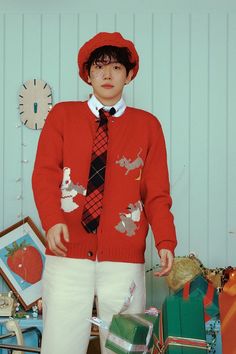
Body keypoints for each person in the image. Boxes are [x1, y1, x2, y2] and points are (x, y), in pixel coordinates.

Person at [32, 31, 177, 354]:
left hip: (124, 257)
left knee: (127, 348)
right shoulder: (63, 116)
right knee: (60, 345)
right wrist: (52, 219)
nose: (107, 75)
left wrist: (165, 239)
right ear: (88, 74)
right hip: (67, 250)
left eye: (116, 68)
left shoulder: (147, 126)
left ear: (129, 74)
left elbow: (156, 191)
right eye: (99, 67)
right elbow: (44, 174)